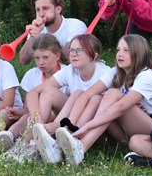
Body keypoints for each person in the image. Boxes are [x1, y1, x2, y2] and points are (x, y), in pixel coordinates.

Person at [55, 34, 152, 166]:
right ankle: (68, 140)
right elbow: (87, 95)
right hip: (127, 135)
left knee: (112, 95)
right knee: (96, 98)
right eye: (118, 50)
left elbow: (121, 107)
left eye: (126, 50)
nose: (119, 54)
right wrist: (70, 126)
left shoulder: (146, 76)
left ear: (139, 53)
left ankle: (82, 146)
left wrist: (88, 126)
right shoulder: (116, 73)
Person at [0, 34, 67, 160]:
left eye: (45, 57)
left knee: (32, 116)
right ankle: (7, 137)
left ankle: (21, 145)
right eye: (37, 58)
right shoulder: (31, 75)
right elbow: (27, 108)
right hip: (37, 117)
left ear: (57, 56)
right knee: (27, 116)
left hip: (60, 116)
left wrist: (37, 114)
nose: (40, 62)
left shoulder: (66, 72)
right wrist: (20, 113)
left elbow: (69, 105)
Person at [28, 34, 111, 164]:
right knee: (49, 91)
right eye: (71, 50)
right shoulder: (70, 70)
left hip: (97, 128)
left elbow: (109, 110)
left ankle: (59, 141)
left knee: (93, 97)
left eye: (79, 50)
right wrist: (35, 113)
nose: (73, 54)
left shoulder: (105, 73)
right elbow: (33, 93)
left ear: (94, 56)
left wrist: (59, 125)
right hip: (74, 117)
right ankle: (32, 143)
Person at [18, 0, 87, 65]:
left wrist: (42, 39)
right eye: (38, 10)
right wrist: (32, 37)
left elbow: (70, 58)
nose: (41, 14)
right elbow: (23, 60)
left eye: (45, 8)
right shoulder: (37, 29)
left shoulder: (75, 25)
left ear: (58, 9)